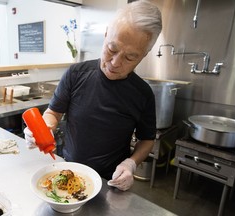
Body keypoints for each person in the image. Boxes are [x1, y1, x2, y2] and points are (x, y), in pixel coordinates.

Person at [24, 0, 162, 191]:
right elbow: (53, 113)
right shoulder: (76, 74)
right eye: (112, 49)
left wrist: (131, 163)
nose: (115, 62)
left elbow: (147, 140)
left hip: (110, 181)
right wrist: (45, 128)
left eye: (130, 57)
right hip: (68, 170)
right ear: (106, 35)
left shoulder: (142, 94)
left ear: (144, 55)